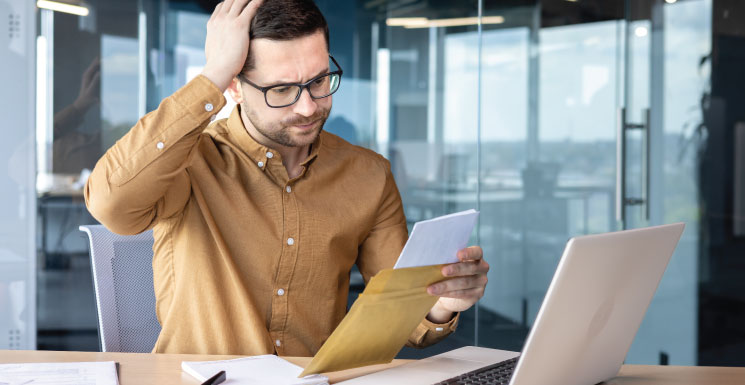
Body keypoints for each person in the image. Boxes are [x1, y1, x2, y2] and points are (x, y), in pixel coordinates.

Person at [85, 0, 489, 356]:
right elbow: (111, 205)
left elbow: (403, 311)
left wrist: (443, 302)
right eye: (281, 90)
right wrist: (210, 77)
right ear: (236, 88)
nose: (309, 106)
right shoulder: (189, 160)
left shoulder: (368, 175)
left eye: (318, 80)